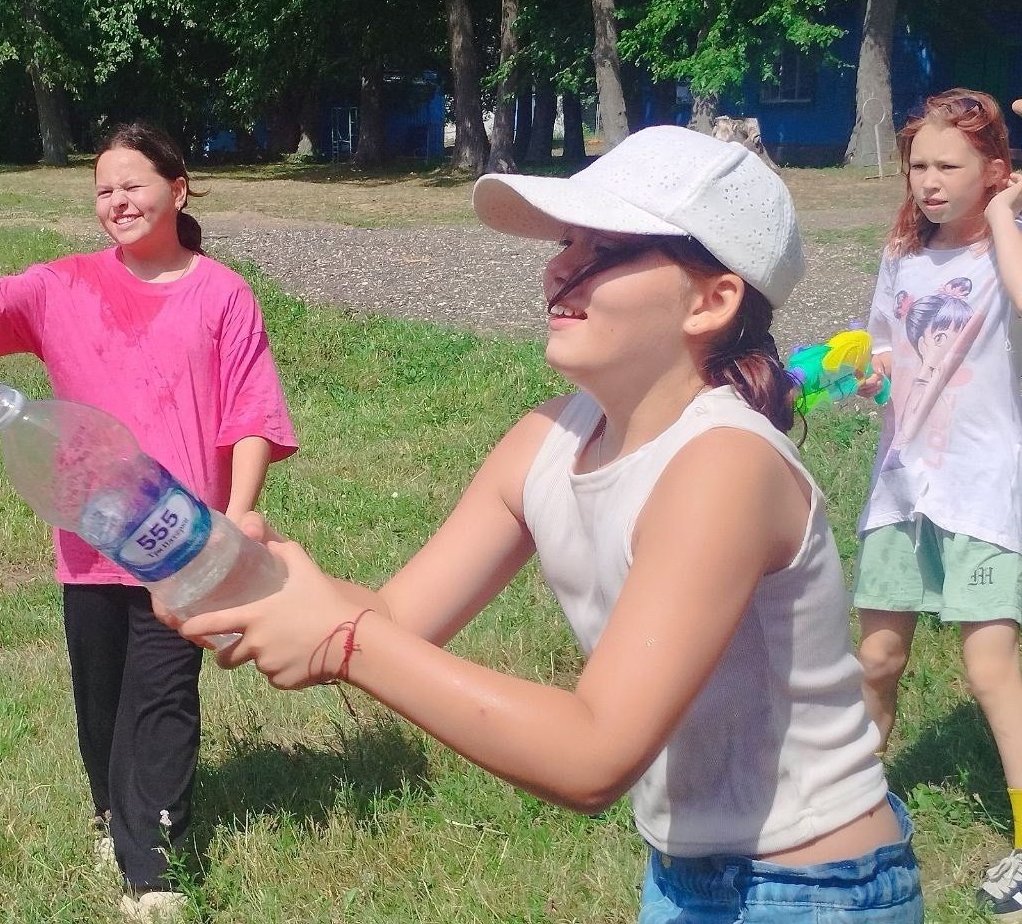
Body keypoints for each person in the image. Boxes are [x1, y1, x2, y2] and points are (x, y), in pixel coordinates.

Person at [171, 125, 924, 922]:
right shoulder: (551, 437)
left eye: (602, 250)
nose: (559, 267)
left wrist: (345, 640)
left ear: (713, 299)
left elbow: (593, 755)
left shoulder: (724, 466)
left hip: (813, 893)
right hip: (683, 877)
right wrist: (250, 579)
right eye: (568, 241)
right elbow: (400, 617)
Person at [0, 122, 298, 921]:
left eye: (133, 184)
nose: (117, 201)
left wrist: (241, 511)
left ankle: (152, 871)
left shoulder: (223, 293)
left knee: (162, 696)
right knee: (102, 697)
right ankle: (108, 814)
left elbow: (250, 411)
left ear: (177, 190)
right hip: (88, 538)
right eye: (103, 190)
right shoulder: (65, 285)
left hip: (183, 543)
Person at [851, 88, 1022, 919]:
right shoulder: (902, 254)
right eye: (918, 163)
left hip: (985, 491)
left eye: (949, 166)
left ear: (997, 173)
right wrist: (871, 366)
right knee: (878, 661)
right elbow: (884, 336)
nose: (927, 181)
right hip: (901, 486)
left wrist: (1005, 221)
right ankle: (846, 808)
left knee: (991, 670)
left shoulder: (1008, 252)